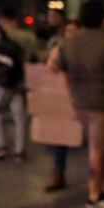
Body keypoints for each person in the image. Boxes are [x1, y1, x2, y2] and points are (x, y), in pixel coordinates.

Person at [57, 0, 104, 208]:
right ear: (102, 18)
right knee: (98, 149)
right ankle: (95, 195)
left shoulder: (69, 42)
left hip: (80, 100)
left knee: (99, 147)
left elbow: (61, 68)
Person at [0, 6, 40, 162]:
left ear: (2, 20)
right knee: (20, 115)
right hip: (21, 79)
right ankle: (20, 151)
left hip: (2, 80)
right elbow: (35, 56)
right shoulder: (29, 36)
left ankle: (1, 146)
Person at [42, 19, 79, 192]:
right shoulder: (61, 48)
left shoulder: (84, 48)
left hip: (84, 96)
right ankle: (58, 173)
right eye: (68, 30)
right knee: (61, 138)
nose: (71, 34)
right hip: (66, 97)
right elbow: (51, 66)